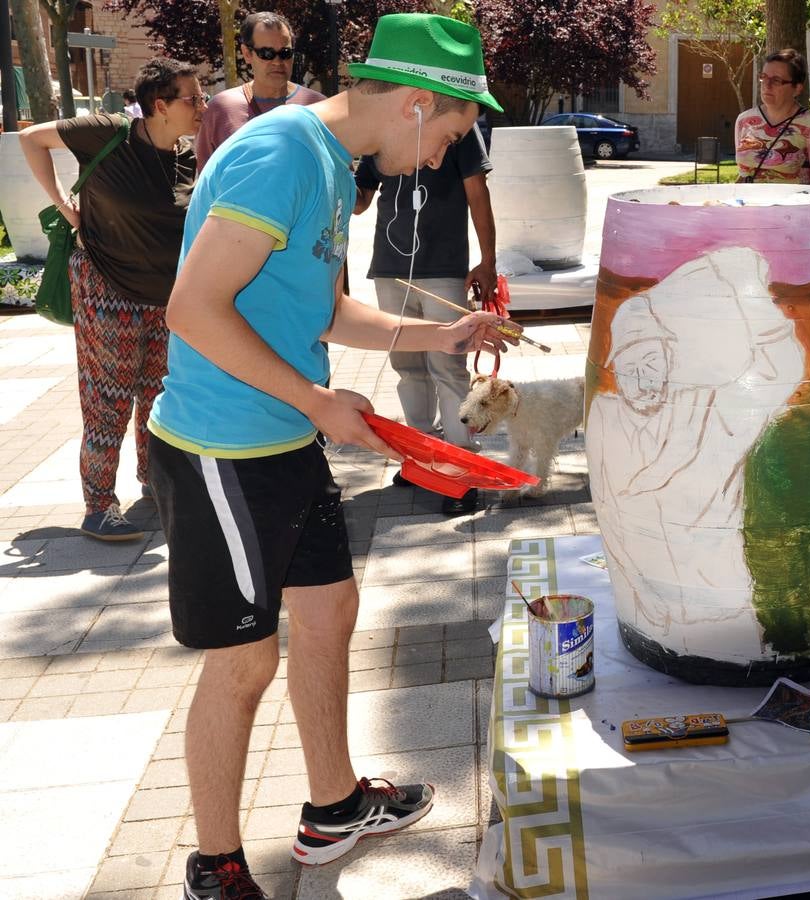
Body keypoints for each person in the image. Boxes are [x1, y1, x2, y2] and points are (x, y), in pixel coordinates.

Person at [146, 14, 512, 898]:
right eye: (452, 134)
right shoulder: (281, 153)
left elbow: (325, 309)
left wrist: (443, 333)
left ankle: (335, 805)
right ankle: (215, 866)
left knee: (328, 613)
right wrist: (316, 400)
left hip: (282, 438)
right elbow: (192, 308)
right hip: (221, 448)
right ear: (416, 103)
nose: (444, 157)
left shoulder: (331, 162)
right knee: (243, 663)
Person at [19, 58, 201, 541]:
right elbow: (30, 138)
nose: (202, 106)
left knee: (159, 395)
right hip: (107, 289)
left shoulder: (190, 155)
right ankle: (98, 504)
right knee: (108, 398)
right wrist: (65, 207)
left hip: (166, 300)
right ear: (160, 105)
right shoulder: (108, 133)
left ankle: (152, 479)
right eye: (193, 98)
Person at [353, 120, 497, 516]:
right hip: (390, 268)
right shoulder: (381, 123)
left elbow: (477, 192)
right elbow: (360, 199)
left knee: (448, 368)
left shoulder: (456, 124)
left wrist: (488, 261)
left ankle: (461, 468)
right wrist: (333, 169)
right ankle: (420, 457)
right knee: (407, 366)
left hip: (444, 268)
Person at [194, 10, 324, 170]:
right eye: (266, 53)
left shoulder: (319, 106)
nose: (277, 62)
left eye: (285, 53)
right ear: (247, 53)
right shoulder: (220, 109)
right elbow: (205, 177)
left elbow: (341, 174)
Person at [733, 48, 810, 185]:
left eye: (776, 80)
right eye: (764, 77)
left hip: (793, 200)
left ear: (797, 88)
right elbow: (742, 173)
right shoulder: (744, 121)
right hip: (747, 199)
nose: (767, 85)